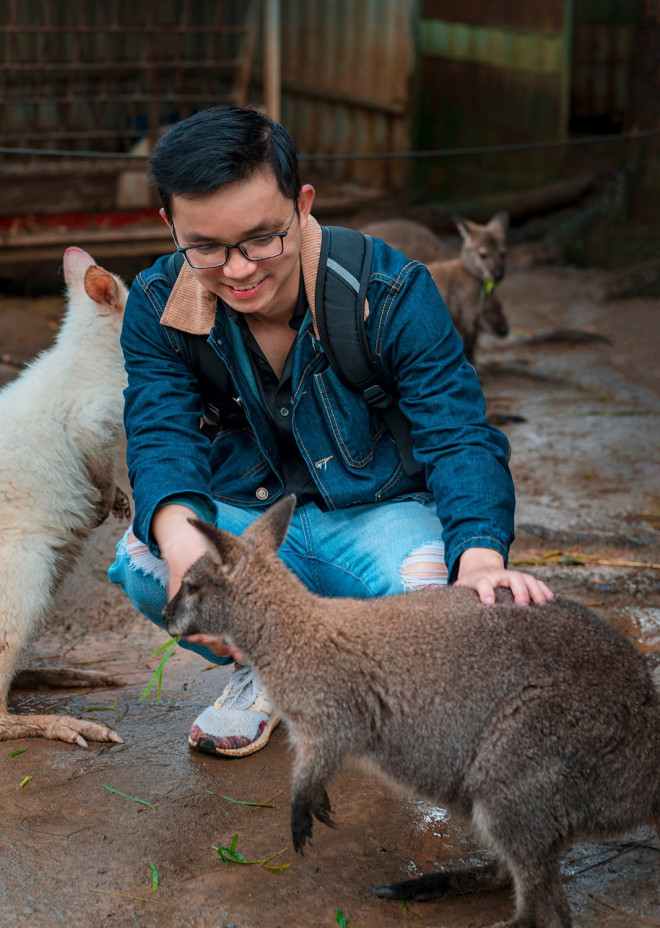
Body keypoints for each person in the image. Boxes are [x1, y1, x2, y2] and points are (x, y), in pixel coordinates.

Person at [108, 105, 552, 758]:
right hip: (254, 522)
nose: (237, 270)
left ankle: (341, 672)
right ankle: (266, 666)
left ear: (303, 203)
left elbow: (458, 432)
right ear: (170, 224)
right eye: (205, 247)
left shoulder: (391, 288)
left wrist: (481, 554)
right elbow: (159, 430)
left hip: (379, 513)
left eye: (262, 238)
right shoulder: (155, 306)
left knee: (455, 607)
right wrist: (180, 545)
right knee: (144, 561)